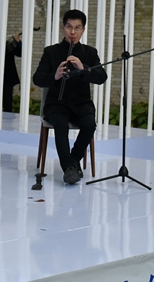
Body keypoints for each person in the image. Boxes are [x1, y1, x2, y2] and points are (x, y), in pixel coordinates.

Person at [32, 10, 108, 185]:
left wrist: (83, 69)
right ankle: (69, 168)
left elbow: (101, 77)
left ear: (83, 30)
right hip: (57, 104)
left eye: (77, 28)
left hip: (81, 104)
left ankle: (72, 162)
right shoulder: (51, 52)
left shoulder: (90, 52)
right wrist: (55, 76)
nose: (72, 32)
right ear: (63, 27)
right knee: (60, 124)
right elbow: (37, 78)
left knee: (90, 125)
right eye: (69, 27)